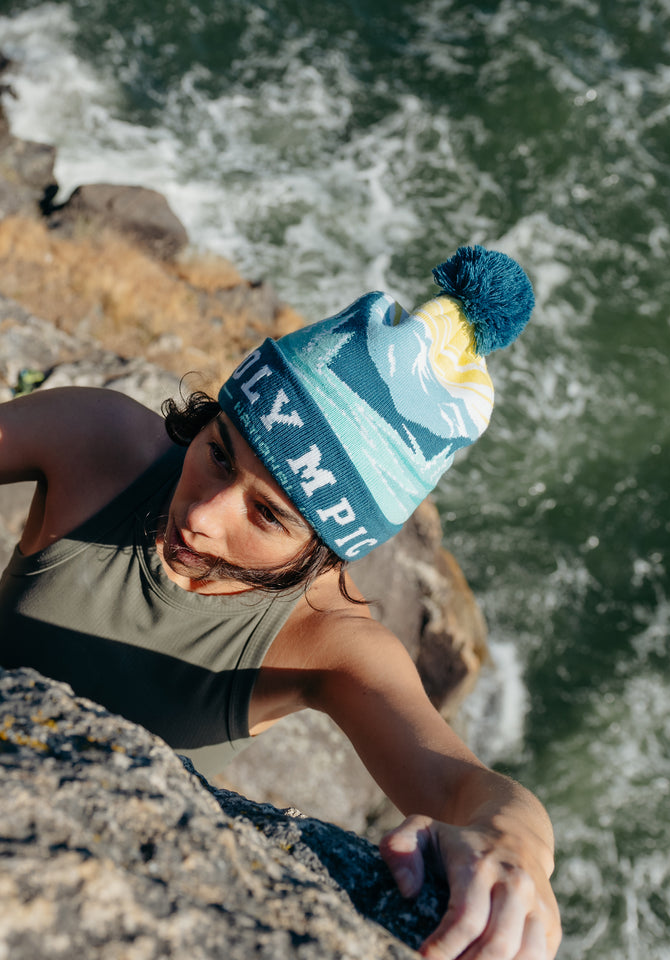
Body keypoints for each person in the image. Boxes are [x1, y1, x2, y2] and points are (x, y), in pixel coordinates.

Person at [0, 245, 561, 960]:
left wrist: (513, 850)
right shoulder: (100, 443)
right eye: (220, 453)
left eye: (267, 516)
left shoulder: (328, 644)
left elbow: (465, 785)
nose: (204, 513)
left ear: (328, 548)